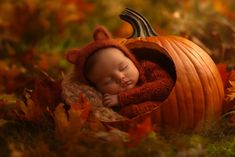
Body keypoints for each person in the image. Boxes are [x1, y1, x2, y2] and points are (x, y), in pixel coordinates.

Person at [66, 25, 175, 118]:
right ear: (97, 89)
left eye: (123, 67)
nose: (120, 77)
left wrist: (123, 98)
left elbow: (165, 86)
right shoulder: (112, 104)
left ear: (131, 59)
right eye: (107, 81)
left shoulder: (148, 67)